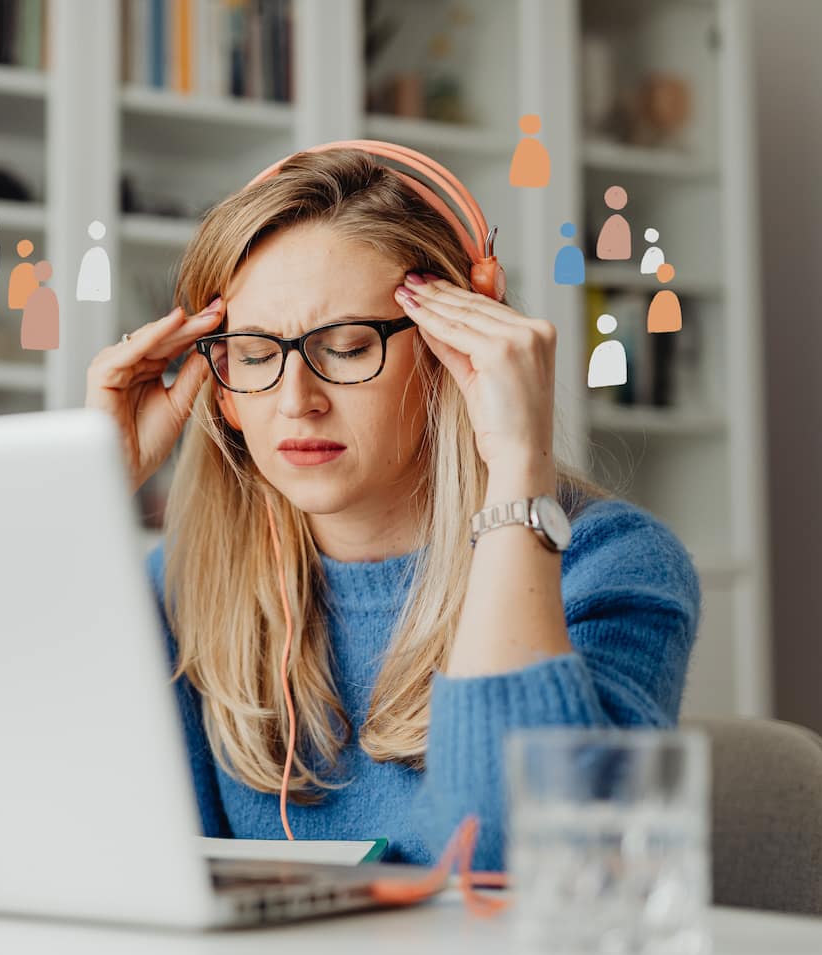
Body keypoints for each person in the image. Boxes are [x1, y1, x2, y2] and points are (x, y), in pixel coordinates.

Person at [83, 146, 702, 872]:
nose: (296, 400)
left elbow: (512, 862)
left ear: (456, 348)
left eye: (346, 348)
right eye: (253, 355)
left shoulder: (611, 567)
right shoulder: (183, 587)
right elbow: (92, 845)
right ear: (218, 384)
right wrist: (89, 494)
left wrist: (516, 475)